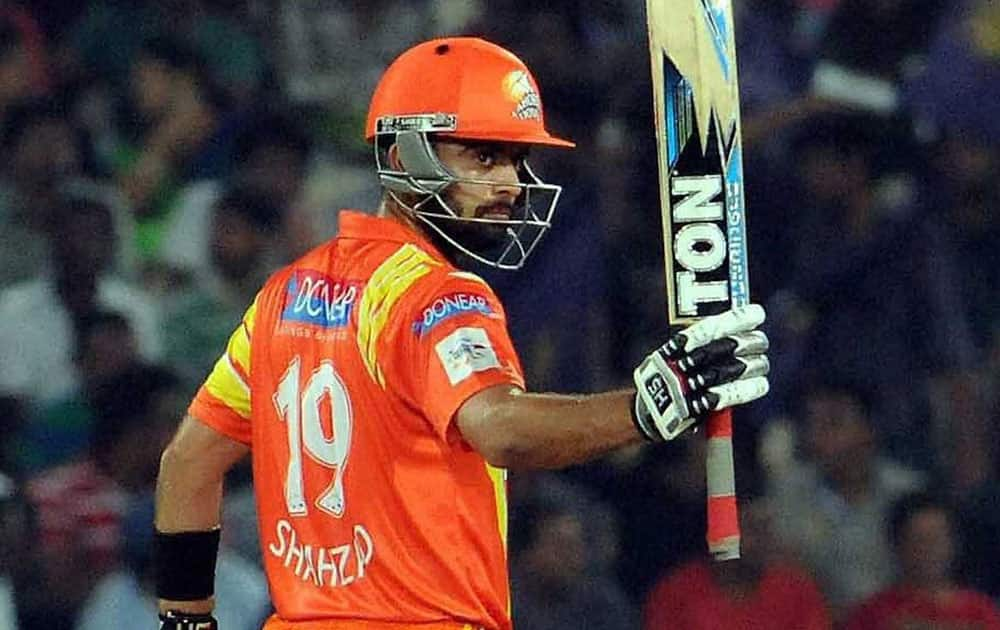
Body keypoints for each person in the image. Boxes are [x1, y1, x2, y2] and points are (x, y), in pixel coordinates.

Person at [153, 37, 771, 630]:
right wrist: (654, 401)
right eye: (483, 157)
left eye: (517, 159)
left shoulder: (282, 295)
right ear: (402, 157)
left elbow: (187, 463)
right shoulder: (437, 296)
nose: (510, 183)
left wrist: (186, 619)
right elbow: (501, 430)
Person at [643, 496, 831, 630]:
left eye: (766, 528)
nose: (765, 540)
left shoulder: (797, 592)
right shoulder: (675, 597)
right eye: (753, 529)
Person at [843, 492, 1000, 630]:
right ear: (898, 545)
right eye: (919, 539)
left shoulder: (982, 612)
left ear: (954, 543)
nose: (929, 549)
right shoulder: (873, 614)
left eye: (937, 538)